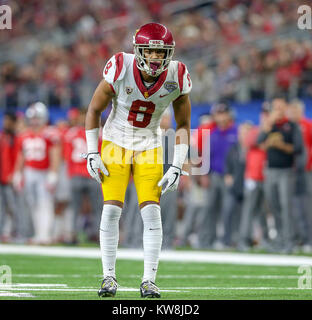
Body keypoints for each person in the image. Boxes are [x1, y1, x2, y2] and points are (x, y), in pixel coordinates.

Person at [84, 23, 192, 298]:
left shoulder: (177, 74)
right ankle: (108, 277)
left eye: (161, 52)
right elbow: (94, 109)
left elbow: (183, 124)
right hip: (115, 142)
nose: (156, 58)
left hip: (149, 145)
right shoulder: (120, 65)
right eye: (150, 51)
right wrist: (92, 152)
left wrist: (177, 164)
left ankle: (149, 280)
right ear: (138, 50)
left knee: (151, 212)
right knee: (111, 210)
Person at [257, 96, 304, 253]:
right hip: (270, 171)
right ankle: (279, 239)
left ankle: (289, 241)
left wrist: (281, 145)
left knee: (286, 206)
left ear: (286, 108)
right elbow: (258, 141)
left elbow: (298, 149)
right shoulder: (269, 126)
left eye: (281, 107)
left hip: (286, 171)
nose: (278, 110)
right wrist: (268, 124)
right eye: (275, 107)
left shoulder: (292, 126)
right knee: (274, 205)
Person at [13, 102, 61, 245]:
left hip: (44, 172)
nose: (34, 121)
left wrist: (53, 173)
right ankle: (38, 233)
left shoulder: (50, 133)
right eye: (32, 118)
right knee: (32, 203)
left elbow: (55, 153)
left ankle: (45, 234)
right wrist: (17, 173)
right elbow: (21, 155)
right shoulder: (24, 135)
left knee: (45, 202)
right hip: (29, 171)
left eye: (37, 118)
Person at [0, 111, 19, 241]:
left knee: (14, 207)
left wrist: (14, 173)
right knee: (1, 208)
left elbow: (18, 157)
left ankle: (17, 232)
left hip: (10, 178)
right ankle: (3, 232)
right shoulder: (2, 137)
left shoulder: (16, 138)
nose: (5, 123)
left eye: (8, 121)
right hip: (1, 177)